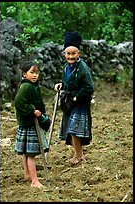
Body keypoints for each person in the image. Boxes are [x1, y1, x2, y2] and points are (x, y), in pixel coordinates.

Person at [54, 31, 94, 165]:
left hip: (79, 102)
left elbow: (89, 87)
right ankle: (79, 155)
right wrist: (61, 85)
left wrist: (77, 97)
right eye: (68, 54)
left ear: (78, 54)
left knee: (74, 129)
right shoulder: (66, 67)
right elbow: (67, 82)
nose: (70, 56)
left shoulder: (82, 68)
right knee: (70, 129)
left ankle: (78, 156)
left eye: (73, 53)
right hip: (69, 102)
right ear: (64, 54)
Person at [14, 61, 50, 188]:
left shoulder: (29, 86)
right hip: (30, 124)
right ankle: (34, 181)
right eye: (32, 72)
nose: (35, 75)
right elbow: (18, 102)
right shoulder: (27, 87)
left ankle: (28, 175)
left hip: (26, 124)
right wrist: (32, 110)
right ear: (24, 74)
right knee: (31, 153)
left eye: (37, 72)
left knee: (26, 152)